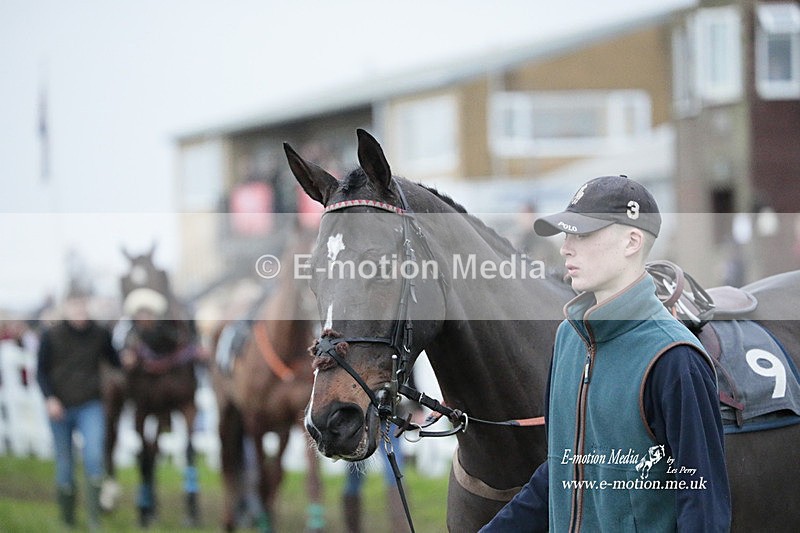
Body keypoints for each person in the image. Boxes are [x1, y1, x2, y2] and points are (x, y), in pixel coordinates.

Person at [481, 175, 731, 532]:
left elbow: (703, 512)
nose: (566, 247)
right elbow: (560, 474)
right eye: (567, 234)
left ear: (631, 241)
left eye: (582, 234)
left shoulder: (676, 359)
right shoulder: (568, 339)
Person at [37, 293, 121, 530]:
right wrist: (50, 399)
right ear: (66, 308)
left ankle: (94, 519)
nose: (80, 312)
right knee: (65, 464)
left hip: (90, 404)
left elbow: (115, 361)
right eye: (75, 307)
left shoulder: (100, 334)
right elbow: (41, 372)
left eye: (83, 307)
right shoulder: (51, 336)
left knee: (94, 456)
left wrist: (128, 361)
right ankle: (68, 520)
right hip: (59, 407)